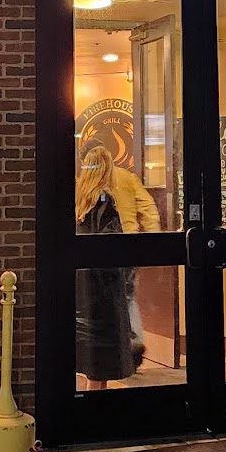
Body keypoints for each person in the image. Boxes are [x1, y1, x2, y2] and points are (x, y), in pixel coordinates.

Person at [73, 145, 160, 388]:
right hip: (116, 264)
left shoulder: (79, 193)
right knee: (127, 300)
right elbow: (148, 209)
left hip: (84, 277)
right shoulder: (117, 189)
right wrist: (154, 244)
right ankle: (132, 341)